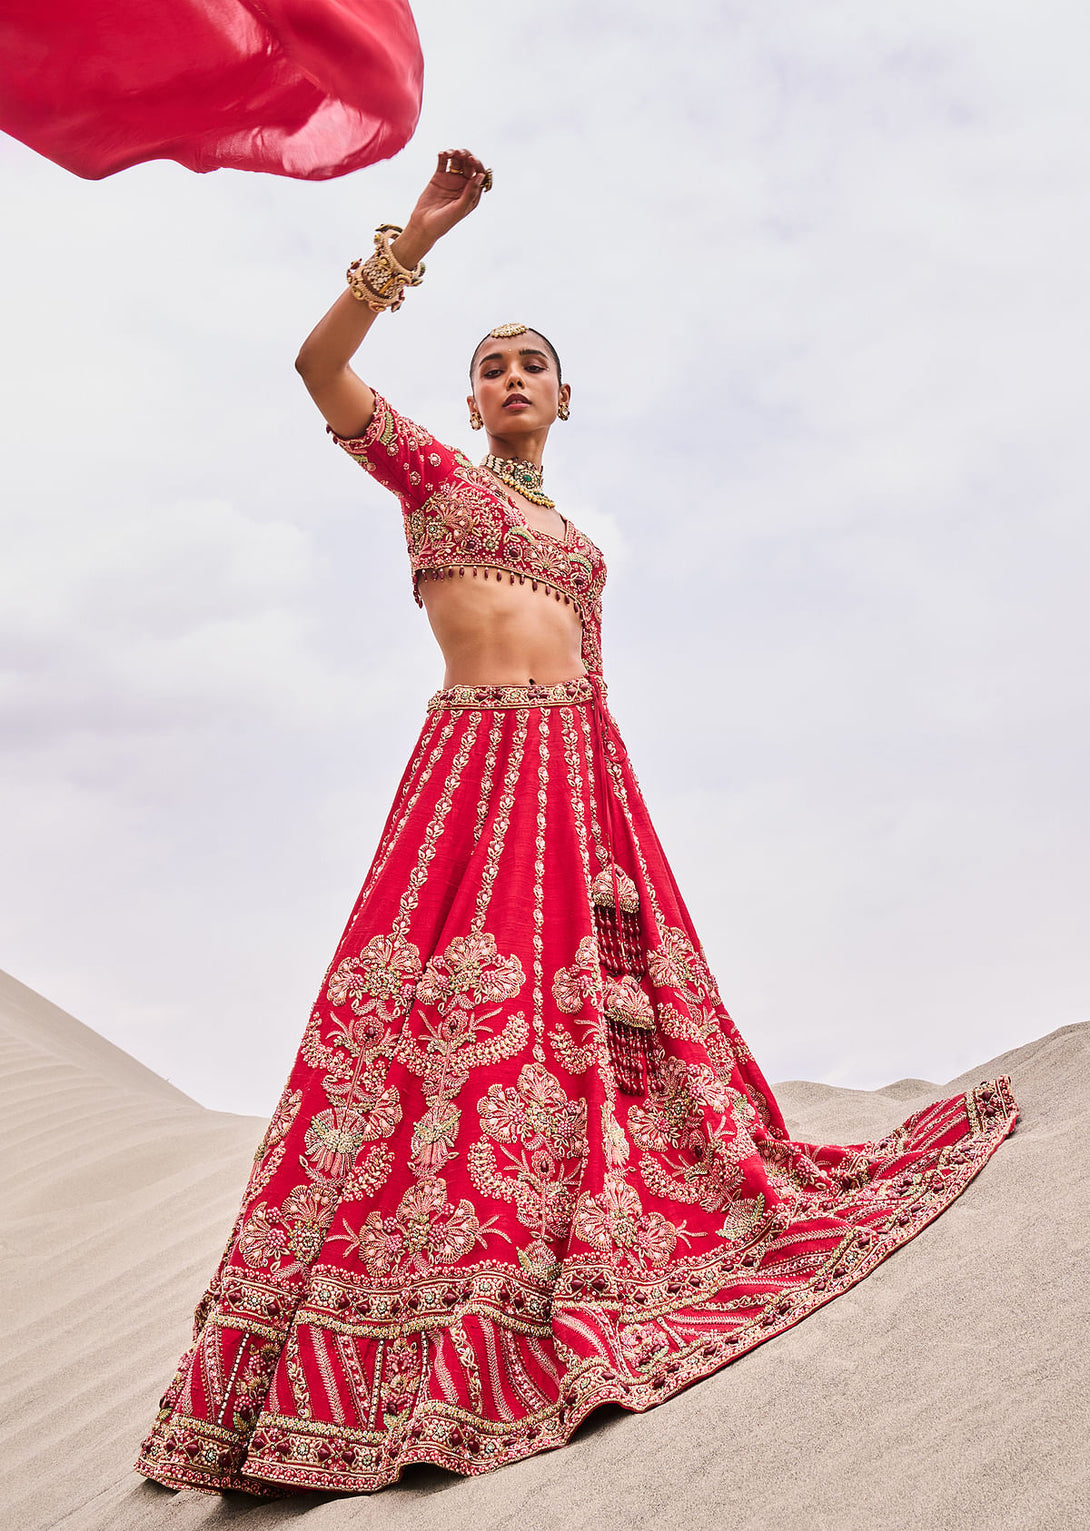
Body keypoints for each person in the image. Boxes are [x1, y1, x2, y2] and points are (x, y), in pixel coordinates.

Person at [136, 149, 1018, 1497]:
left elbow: (592, 679)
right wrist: (409, 243)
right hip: (469, 780)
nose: (507, 380)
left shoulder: (580, 542)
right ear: (467, 399)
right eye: (488, 365)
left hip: (570, 776)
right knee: (427, 1034)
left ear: (562, 396)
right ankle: (394, 1321)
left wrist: (614, 829)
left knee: (581, 1042)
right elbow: (318, 371)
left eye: (530, 364)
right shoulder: (436, 482)